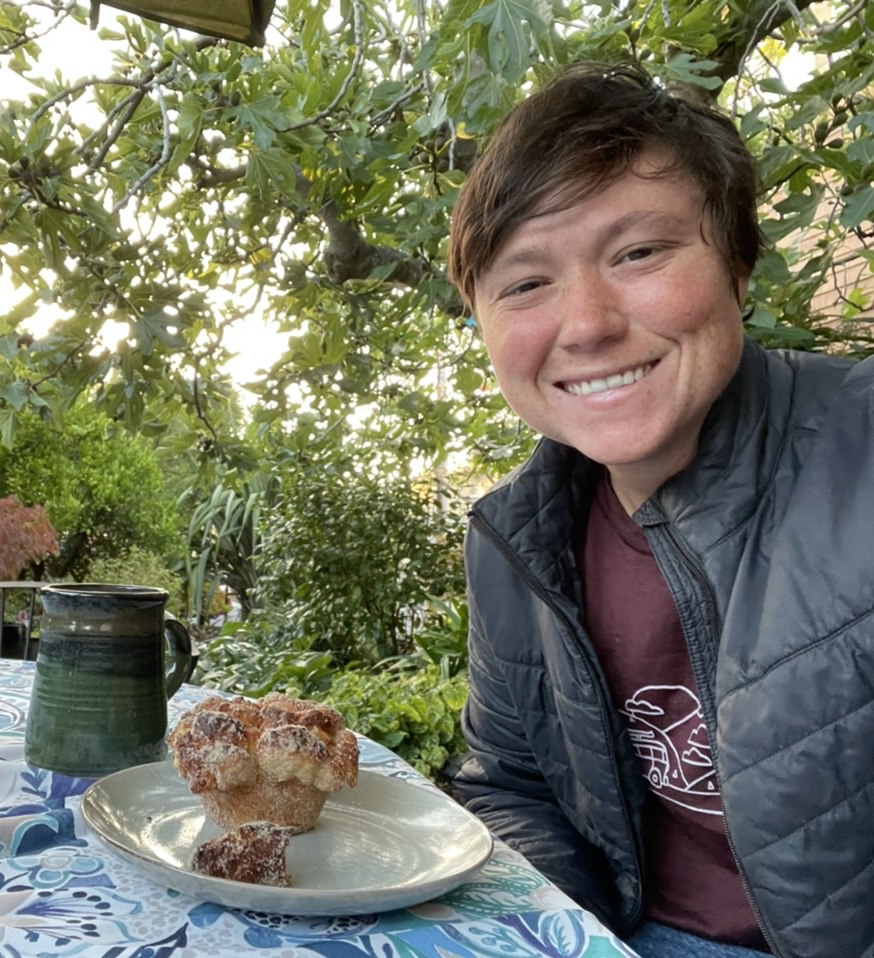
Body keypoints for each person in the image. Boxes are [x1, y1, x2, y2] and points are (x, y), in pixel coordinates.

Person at [446, 60, 873, 958]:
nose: (588, 322)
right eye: (525, 284)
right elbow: (508, 784)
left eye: (638, 253)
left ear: (739, 268)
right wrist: (573, 939)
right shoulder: (512, 543)